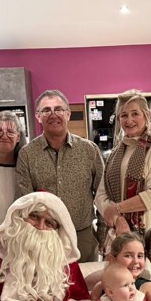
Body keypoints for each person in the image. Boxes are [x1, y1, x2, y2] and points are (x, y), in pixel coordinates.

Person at [15, 89, 103, 262]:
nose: (53, 114)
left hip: (82, 237)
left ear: (68, 114)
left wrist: (103, 234)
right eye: (46, 110)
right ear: (38, 116)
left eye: (59, 109)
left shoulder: (89, 150)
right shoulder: (27, 154)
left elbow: (102, 195)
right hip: (43, 237)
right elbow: (24, 201)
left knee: (86, 279)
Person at [95, 89, 151, 249]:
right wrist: (118, 220)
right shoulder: (115, 153)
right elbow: (101, 195)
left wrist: (117, 209)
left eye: (135, 114)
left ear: (147, 115)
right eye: (124, 115)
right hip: (121, 234)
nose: (129, 120)